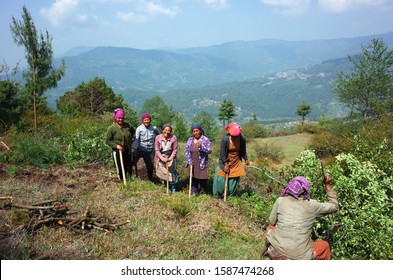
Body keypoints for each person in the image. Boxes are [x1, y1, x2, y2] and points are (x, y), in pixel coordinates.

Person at [263, 175, 339, 260]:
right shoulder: (312, 205)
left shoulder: (280, 200)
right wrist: (327, 185)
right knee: (324, 246)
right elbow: (334, 206)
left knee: (270, 228)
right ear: (305, 190)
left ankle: (272, 254)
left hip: (277, 249)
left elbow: (272, 222)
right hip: (300, 256)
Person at [213, 122, 249, 198]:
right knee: (220, 180)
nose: (235, 138)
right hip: (224, 161)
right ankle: (218, 196)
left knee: (233, 181)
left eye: (237, 136)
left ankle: (230, 197)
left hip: (236, 161)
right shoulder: (225, 139)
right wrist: (226, 164)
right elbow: (222, 153)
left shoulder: (242, 138)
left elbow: (243, 150)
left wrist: (246, 159)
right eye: (233, 136)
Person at [106, 108, 135, 181]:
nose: (120, 120)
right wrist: (116, 146)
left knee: (129, 167)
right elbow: (108, 141)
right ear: (115, 118)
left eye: (122, 118)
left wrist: (130, 140)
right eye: (119, 118)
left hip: (127, 150)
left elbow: (133, 132)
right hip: (118, 152)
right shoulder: (111, 128)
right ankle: (122, 181)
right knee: (120, 168)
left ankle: (130, 180)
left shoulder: (127, 125)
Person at [185, 124, 212, 195]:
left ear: (200, 131)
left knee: (202, 179)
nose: (196, 133)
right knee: (193, 178)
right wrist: (189, 160)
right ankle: (194, 192)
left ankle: (204, 193)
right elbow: (187, 151)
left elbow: (209, 150)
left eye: (197, 131)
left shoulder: (205, 139)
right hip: (192, 162)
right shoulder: (190, 139)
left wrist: (201, 147)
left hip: (201, 163)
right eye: (194, 131)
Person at [133, 113, 160, 182]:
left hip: (150, 150)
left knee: (150, 166)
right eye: (145, 120)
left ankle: (150, 179)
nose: (146, 121)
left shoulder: (153, 128)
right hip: (141, 149)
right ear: (142, 121)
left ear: (150, 121)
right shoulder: (139, 129)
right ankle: (131, 175)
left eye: (148, 120)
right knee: (133, 162)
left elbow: (159, 136)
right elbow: (136, 139)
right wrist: (135, 147)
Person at [155, 123, 178, 193]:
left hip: (170, 157)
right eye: (165, 130)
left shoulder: (173, 138)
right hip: (161, 158)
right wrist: (162, 158)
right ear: (162, 130)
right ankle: (166, 186)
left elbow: (175, 150)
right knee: (163, 173)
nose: (167, 132)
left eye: (169, 130)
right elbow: (157, 150)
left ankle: (173, 187)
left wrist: (170, 158)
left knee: (172, 173)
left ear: (170, 131)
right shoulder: (158, 138)